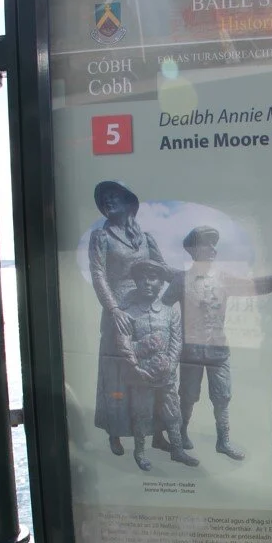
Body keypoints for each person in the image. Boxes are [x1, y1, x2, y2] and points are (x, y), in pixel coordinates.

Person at [163, 226, 272, 460]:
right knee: (188, 395)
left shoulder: (223, 279)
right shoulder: (181, 280)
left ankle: (223, 441)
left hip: (218, 351)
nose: (212, 248)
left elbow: (254, 285)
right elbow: (162, 308)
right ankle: (182, 433)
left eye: (214, 244)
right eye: (206, 244)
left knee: (222, 397)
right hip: (190, 351)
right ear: (193, 249)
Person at [88, 181, 174, 457]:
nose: (108, 201)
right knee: (116, 372)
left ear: (128, 202)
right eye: (104, 198)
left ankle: (157, 433)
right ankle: (114, 432)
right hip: (119, 310)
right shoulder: (101, 237)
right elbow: (98, 275)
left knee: (154, 364)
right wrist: (114, 310)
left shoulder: (146, 238)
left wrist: (192, 277)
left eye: (114, 196)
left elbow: (164, 270)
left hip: (147, 307)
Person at [114, 259, 198, 470]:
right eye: (141, 278)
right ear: (136, 282)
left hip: (166, 376)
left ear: (161, 283)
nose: (147, 282)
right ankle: (140, 452)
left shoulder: (170, 313)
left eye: (153, 278)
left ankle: (177, 450)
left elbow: (176, 343)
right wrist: (138, 364)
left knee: (173, 413)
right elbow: (123, 344)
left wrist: (170, 365)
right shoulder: (127, 312)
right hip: (140, 376)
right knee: (142, 414)